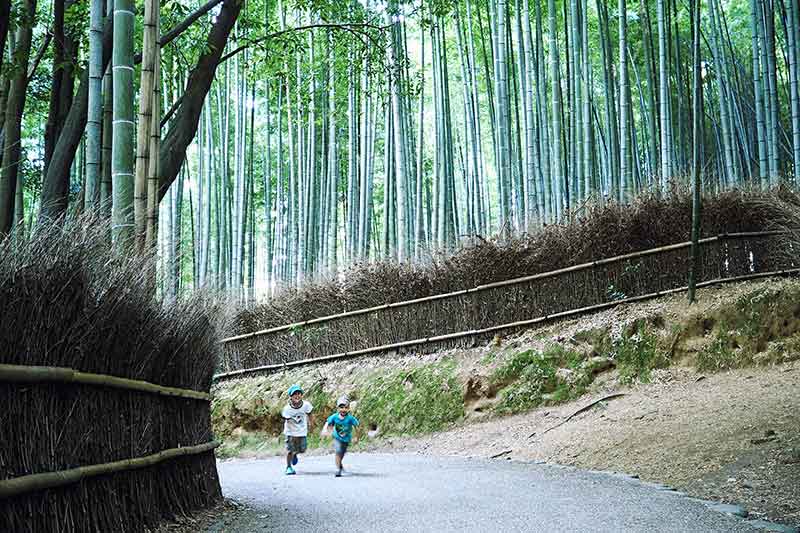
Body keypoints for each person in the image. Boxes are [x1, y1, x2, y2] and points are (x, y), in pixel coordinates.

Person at [321, 395, 359, 477]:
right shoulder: (334, 417)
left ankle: (340, 465)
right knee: (338, 451)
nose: (343, 409)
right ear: (338, 408)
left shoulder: (350, 418)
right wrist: (326, 431)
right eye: (341, 407)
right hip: (337, 438)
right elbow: (329, 423)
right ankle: (338, 469)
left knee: (342, 453)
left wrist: (356, 437)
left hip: (346, 439)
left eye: (346, 407)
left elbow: (356, 427)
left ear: (349, 408)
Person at [282, 384, 313, 475]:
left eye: (299, 394)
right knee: (290, 450)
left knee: (303, 449)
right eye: (294, 394)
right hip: (290, 432)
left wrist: (311, 424)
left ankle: (295, 454)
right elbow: (287, 419)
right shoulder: (287, 409)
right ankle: (288, 467)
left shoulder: (306, 405)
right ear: (291, 397)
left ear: (301, 395)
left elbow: (310, 414)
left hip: (302, 431)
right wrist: (292, 433)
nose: (297, 396)